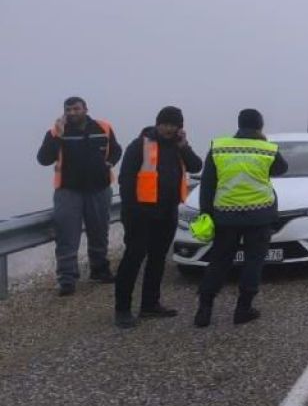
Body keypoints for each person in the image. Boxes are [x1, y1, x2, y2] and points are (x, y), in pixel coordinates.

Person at [193, 109, 288, 327]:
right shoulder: (267, 149)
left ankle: (204, 309)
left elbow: (208, 184)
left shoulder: (219, 147)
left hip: (225, 216)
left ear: (239, 124)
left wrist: (205, 213)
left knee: (218, 262)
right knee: (253, 262)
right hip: (259, 215)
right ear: (260, 126)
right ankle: (243, 309)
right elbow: (282, 169)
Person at [113, 106, 203, 328]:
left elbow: (196, 166)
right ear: (157, 123)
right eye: (165, 124)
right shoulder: (139, 145)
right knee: (133, 259)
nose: (169, 128)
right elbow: (125, 181)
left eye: (174, 125)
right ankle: (122, 309)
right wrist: (132, 211)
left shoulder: (177, 146)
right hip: (140, 214)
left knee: (157, 259)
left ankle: (150, 305)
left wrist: (184, 145)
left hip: (167, 211)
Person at [36, 96, 123, 296]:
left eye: (76, 109)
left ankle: (100, 271)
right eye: (68, 110)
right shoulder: (57, 131)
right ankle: (67, 280)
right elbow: (43, 159)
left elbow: (116, 150)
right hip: (68, 191)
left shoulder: (103, 127)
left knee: (99, 232)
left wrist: (109, 163)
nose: (72, 113)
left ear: (85, 109)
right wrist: (56, 136)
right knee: (67, 236)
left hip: (99, 189)